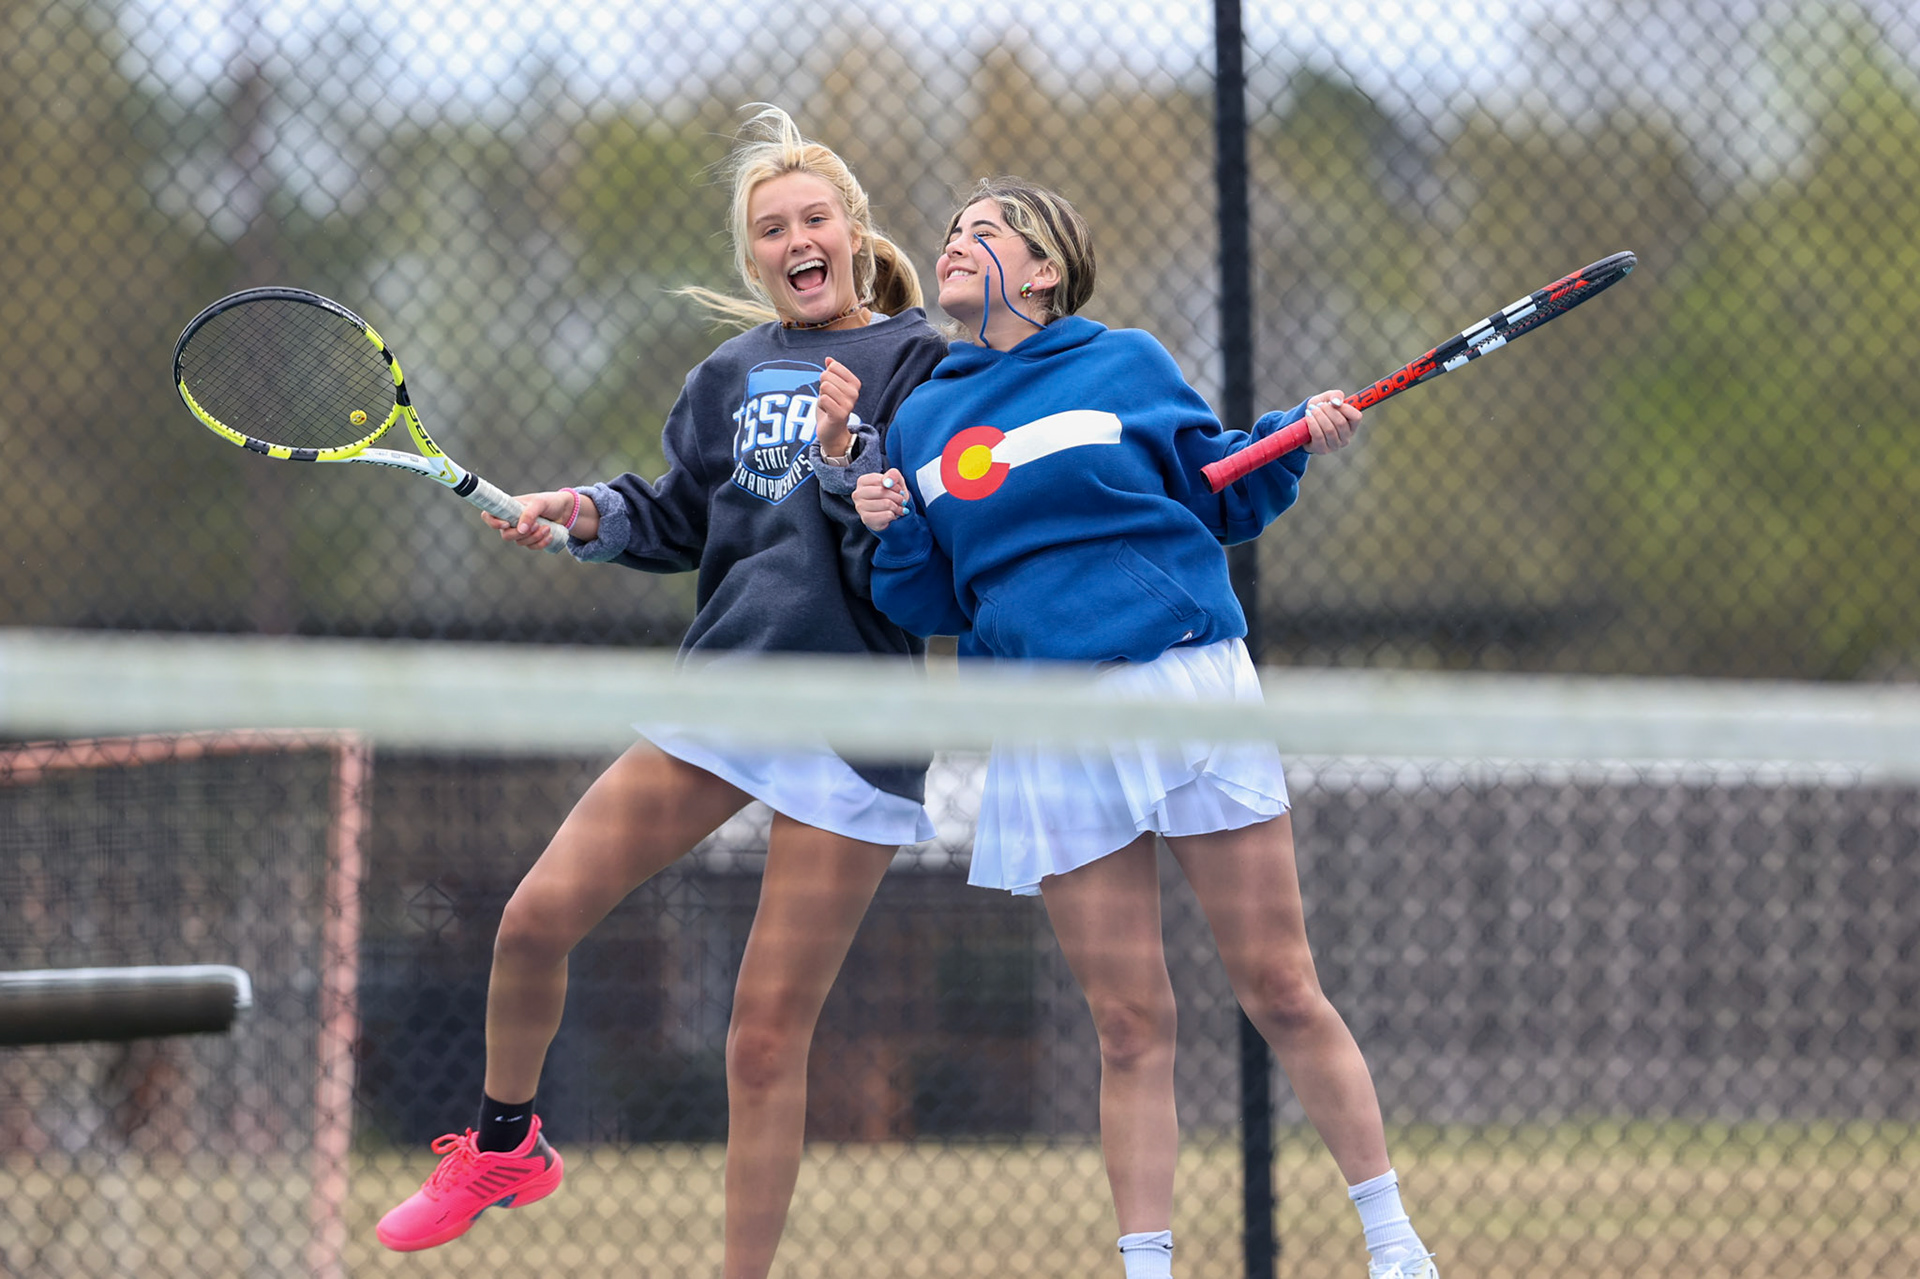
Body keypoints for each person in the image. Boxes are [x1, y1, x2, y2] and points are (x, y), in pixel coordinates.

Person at [812, 178, 1438, 1279]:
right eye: (951, 231)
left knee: (1283, 987)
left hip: (1182, 683)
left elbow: (1219, 488)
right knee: (1131, 1024)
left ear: (1043, 269)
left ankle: (1393, 1245)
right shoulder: (921, 418)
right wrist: (883, 519)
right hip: (1046, 726)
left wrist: (1296, 436)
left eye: (983, 232)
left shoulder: (1130, 364)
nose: (955, 243)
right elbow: (930, 601)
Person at [374, 107, 949, 1279]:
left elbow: (920, 538)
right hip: (726, 695)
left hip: (857, 720)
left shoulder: (921, 361)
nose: (797, 238)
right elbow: (674, 513)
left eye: (814, 217)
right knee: (534, 917)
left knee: (760, 1039)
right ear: (754, 259)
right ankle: (504, 1144)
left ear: (853, 231)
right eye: (771, 228)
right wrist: (580, 511)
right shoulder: (725, 375)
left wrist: (850, 453)